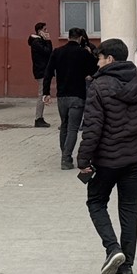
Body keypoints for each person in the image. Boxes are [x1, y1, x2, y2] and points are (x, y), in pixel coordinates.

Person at [76, 38, 137, 274]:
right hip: (133, 162)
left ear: (110, 59)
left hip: (105, 161)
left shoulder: (98, 86)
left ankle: (113, 249)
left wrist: (83, 160)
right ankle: (127, 267)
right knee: (129, 210)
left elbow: (92, 128)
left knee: (95, 202)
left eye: (99, 58)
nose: (98, 62)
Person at [41, 27, 99, 170]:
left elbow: (48, 73)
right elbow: (95, 69)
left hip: (62, 96)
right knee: (73, 128)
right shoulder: (83, 53)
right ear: (79, 38)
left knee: (64, 126)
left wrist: (46, 92)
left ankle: (65, 156)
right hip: (78, 95)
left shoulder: (57, 52)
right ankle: (66, 158)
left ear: (68, 37)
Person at [28, 22, 53, 127]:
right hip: (41, 70)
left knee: (43, 93)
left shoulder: (39, 41)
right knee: (42, 94)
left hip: (43, 70)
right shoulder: (37, 42)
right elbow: (48, 52)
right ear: (40, 31)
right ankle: (38, 118)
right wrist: (48, 40)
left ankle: (40, 118)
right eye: (45, 30)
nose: (47, 32)